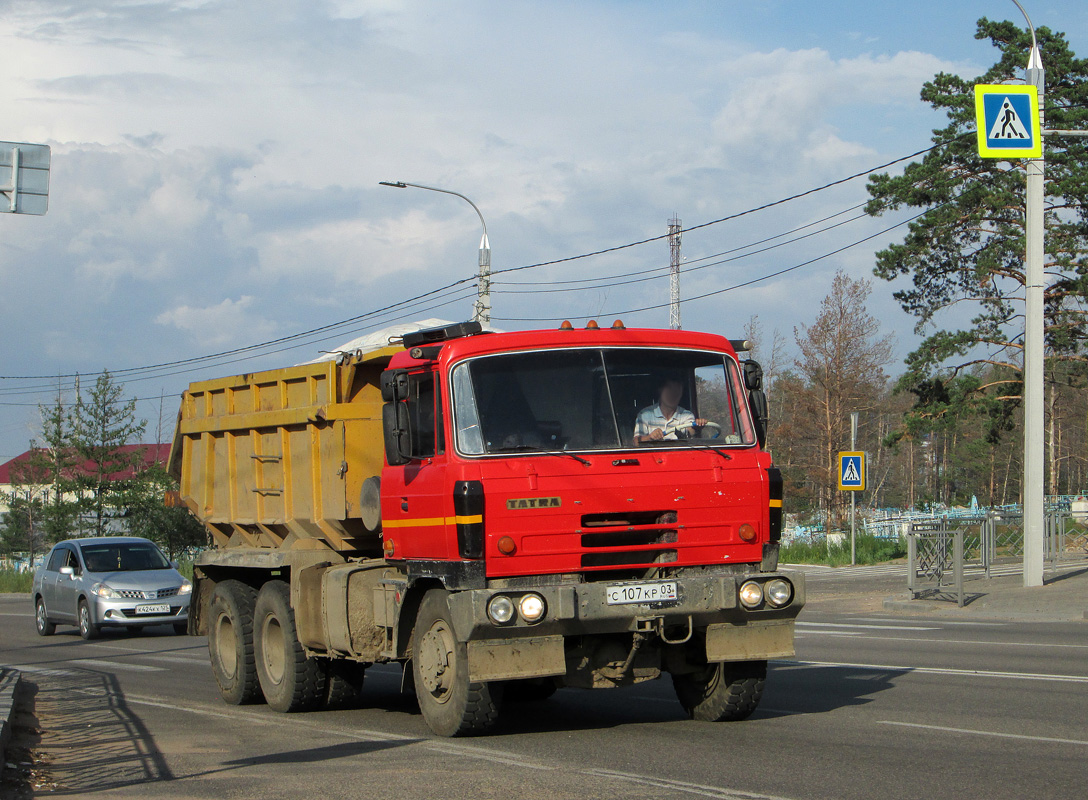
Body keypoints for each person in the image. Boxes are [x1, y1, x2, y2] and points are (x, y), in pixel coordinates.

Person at [633, 376, 706, 443]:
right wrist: (650, 437)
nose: (673, 394)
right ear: (660, 391)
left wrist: (697, 427)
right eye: (670, 389)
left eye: (677, 390)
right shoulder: (645, 414)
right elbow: (636, 442)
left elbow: (691, 431)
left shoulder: (686, 415)